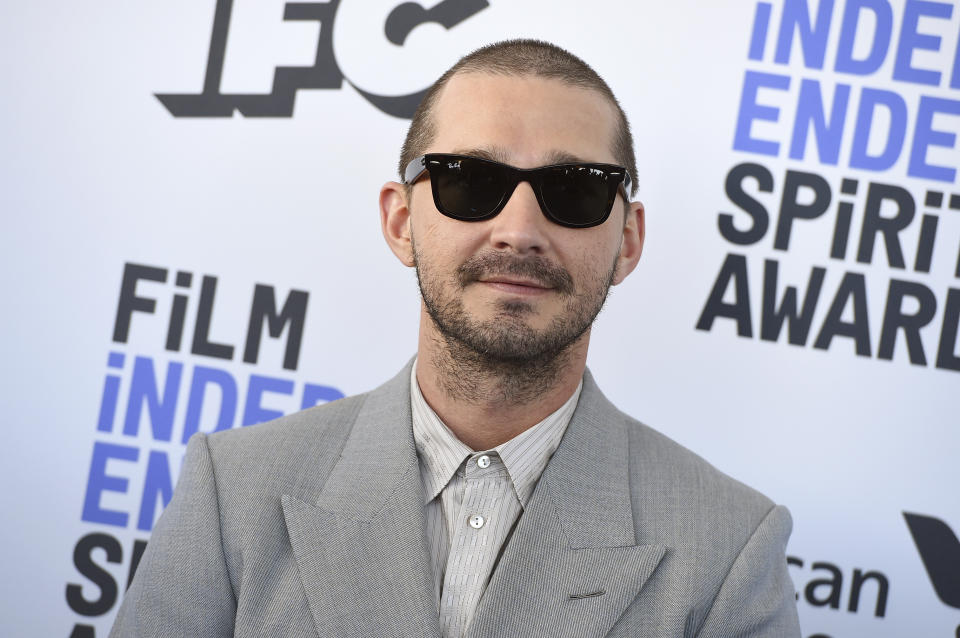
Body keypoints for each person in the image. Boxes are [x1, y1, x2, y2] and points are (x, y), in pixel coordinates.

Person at [110, 40, 801, 637]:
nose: (519, 229)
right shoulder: (232, 493)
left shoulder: (731, 548)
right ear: (401, 221)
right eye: (470, 182)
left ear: (628, 241)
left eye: (576, 190)